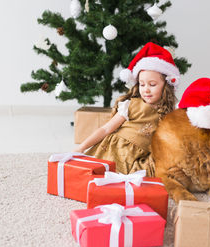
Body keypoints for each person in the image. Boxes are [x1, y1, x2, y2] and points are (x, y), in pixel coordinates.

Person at [73, 42, 181, 176]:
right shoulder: (131, 105)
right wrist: (81, 147)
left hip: (139, 159)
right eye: (141, 84)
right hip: (114, 151)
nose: (146, 89)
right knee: (98, 176)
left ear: (166, 86)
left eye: (152, 84)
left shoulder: (170, 113)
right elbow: (105, 129)